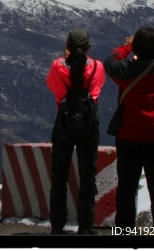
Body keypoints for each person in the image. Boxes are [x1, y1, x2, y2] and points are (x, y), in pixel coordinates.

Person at [104, 27, 154, 229]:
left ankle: (124, 229)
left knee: (127, 185)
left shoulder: (125, 71)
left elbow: (111, 61)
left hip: (128, 135)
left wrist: (126, 47)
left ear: (136, 48)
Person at [45, 28, 105, 235]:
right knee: (88, 176)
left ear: (68, 46)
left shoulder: (57, 66)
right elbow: (96, 93)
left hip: (64, 123)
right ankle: (86, 226)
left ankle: (57, 226)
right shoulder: (97, 66)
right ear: (88, 47)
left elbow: (55, 89)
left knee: (59, 176)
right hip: (88, 125)